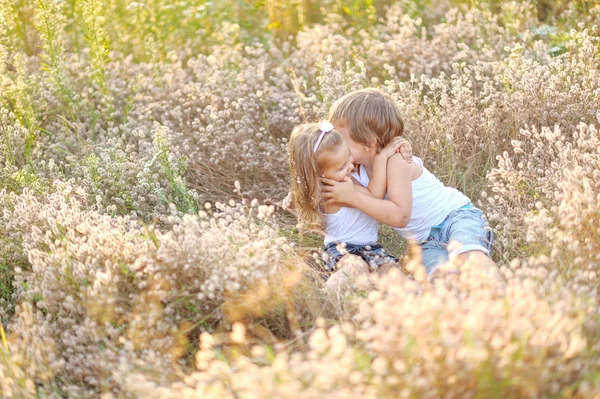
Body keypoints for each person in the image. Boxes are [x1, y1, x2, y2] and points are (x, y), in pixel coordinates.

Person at [321, 88, 504, 283]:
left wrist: (352, 197)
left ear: (368, 141)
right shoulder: (352, 168)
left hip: (456, 217)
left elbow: (400, 216)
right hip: (425, 242)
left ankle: (504, 299)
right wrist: (297, 193)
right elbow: (318, 165)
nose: (334, 143)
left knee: (467, 256)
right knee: (439, 277)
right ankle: (469, 308)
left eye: (340, 137)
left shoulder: (397, 160)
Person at [287, 121, 411, 293]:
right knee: (355, 267)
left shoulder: (341, 180)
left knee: (391, 272)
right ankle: (326, 302)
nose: (351, 167)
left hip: (369, 248)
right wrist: (382, 158)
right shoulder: (333, 192)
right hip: (341, 249)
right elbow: (374, 195)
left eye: (348, 159)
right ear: (317, 175)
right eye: (341, 167)